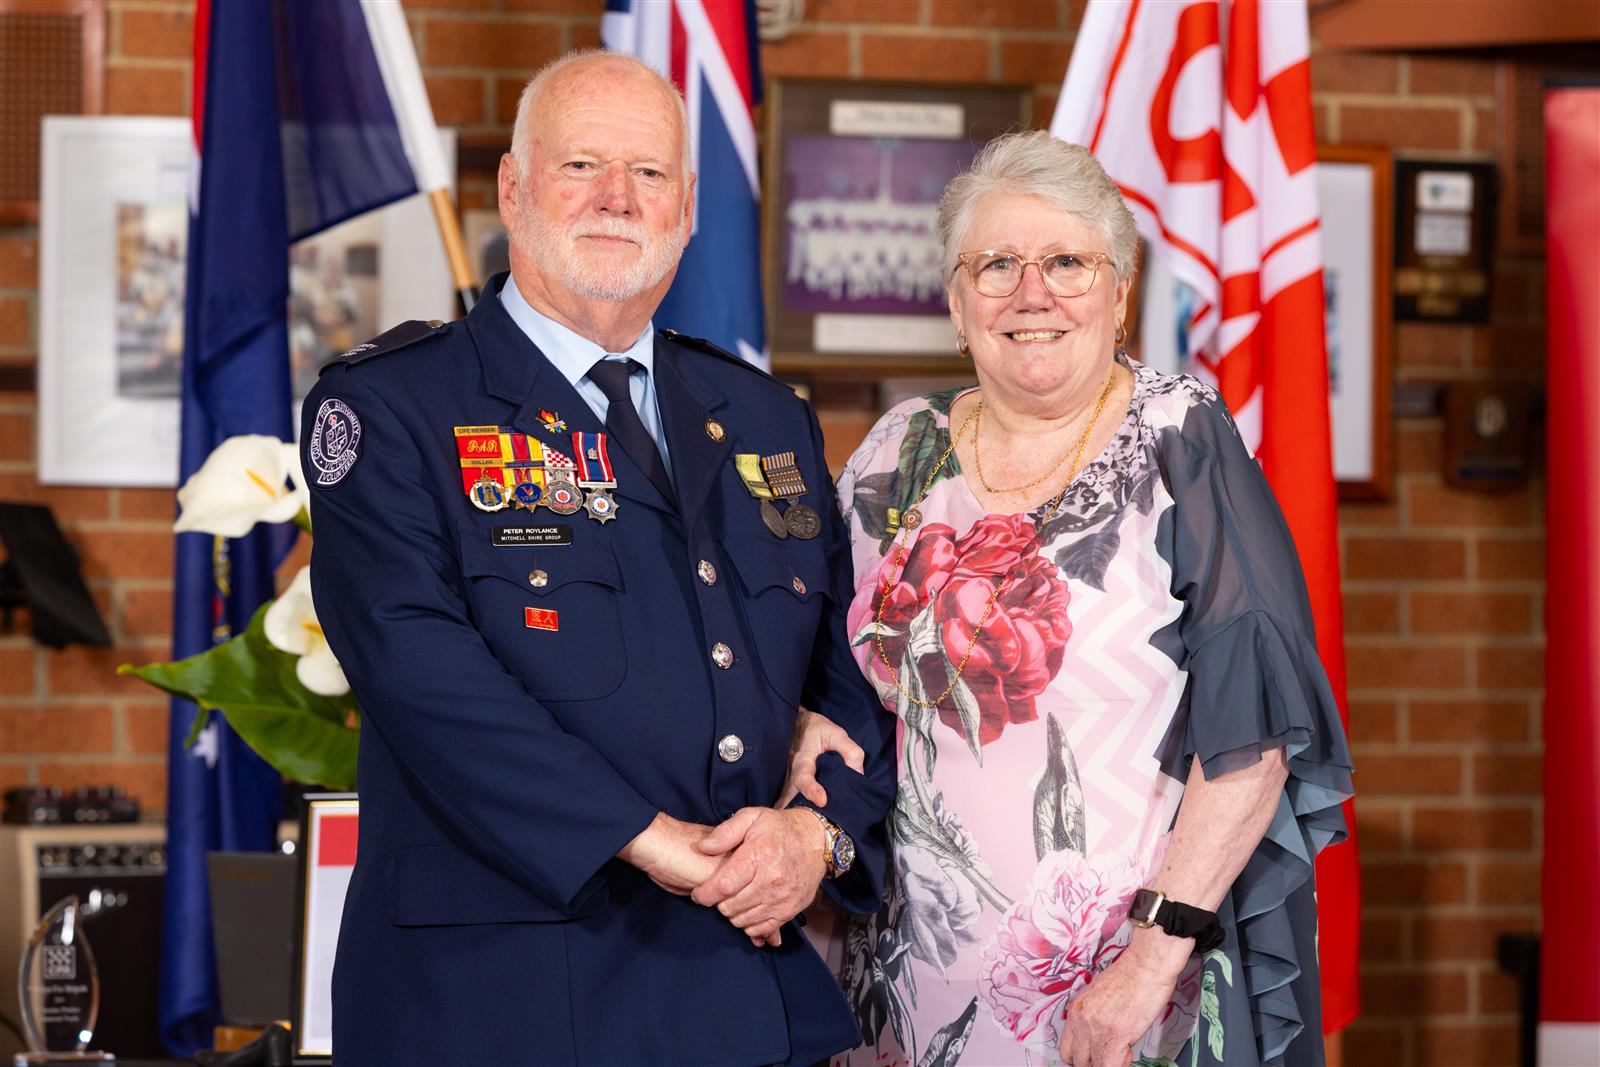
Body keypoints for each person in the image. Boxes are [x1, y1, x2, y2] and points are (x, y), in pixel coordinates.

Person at [300, 50, 895, 1066]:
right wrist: (653, 837)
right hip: (496, 998)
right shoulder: (394, 407)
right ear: (514, 188)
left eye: (650, 174)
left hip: (737, 993)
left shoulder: (760, 416)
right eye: (581, 165)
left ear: (689, 207)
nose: (618, 199)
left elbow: (854, 673)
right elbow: (421, 675)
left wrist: (816, 836)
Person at [790, 131, 1354, 1066]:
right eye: (997, 264)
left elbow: (1255, 733)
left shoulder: (1180, 435)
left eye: (1067, 262)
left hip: (1121, 992)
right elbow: (817, 661)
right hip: (903, 987)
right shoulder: (896, 449)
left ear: (1121, 292)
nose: (1031, 292)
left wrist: (1148, 963)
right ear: (955, 299)